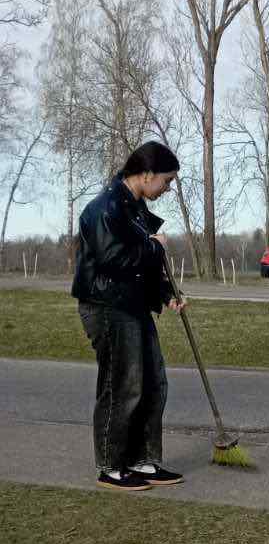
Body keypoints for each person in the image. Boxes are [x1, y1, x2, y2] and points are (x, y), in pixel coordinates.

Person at [72, 141, 187, 492]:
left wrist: (165, 293)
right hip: (107, 306)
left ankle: (142, 460)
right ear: (147, 174)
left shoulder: (134, 208)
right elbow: (115, 261)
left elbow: (140, 268)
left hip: (133, 304)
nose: (167, 188)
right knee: (122, 385)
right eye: (166, 181)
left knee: (153, 383)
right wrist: (155, 246)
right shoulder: (104, 208)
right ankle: (111, 466)